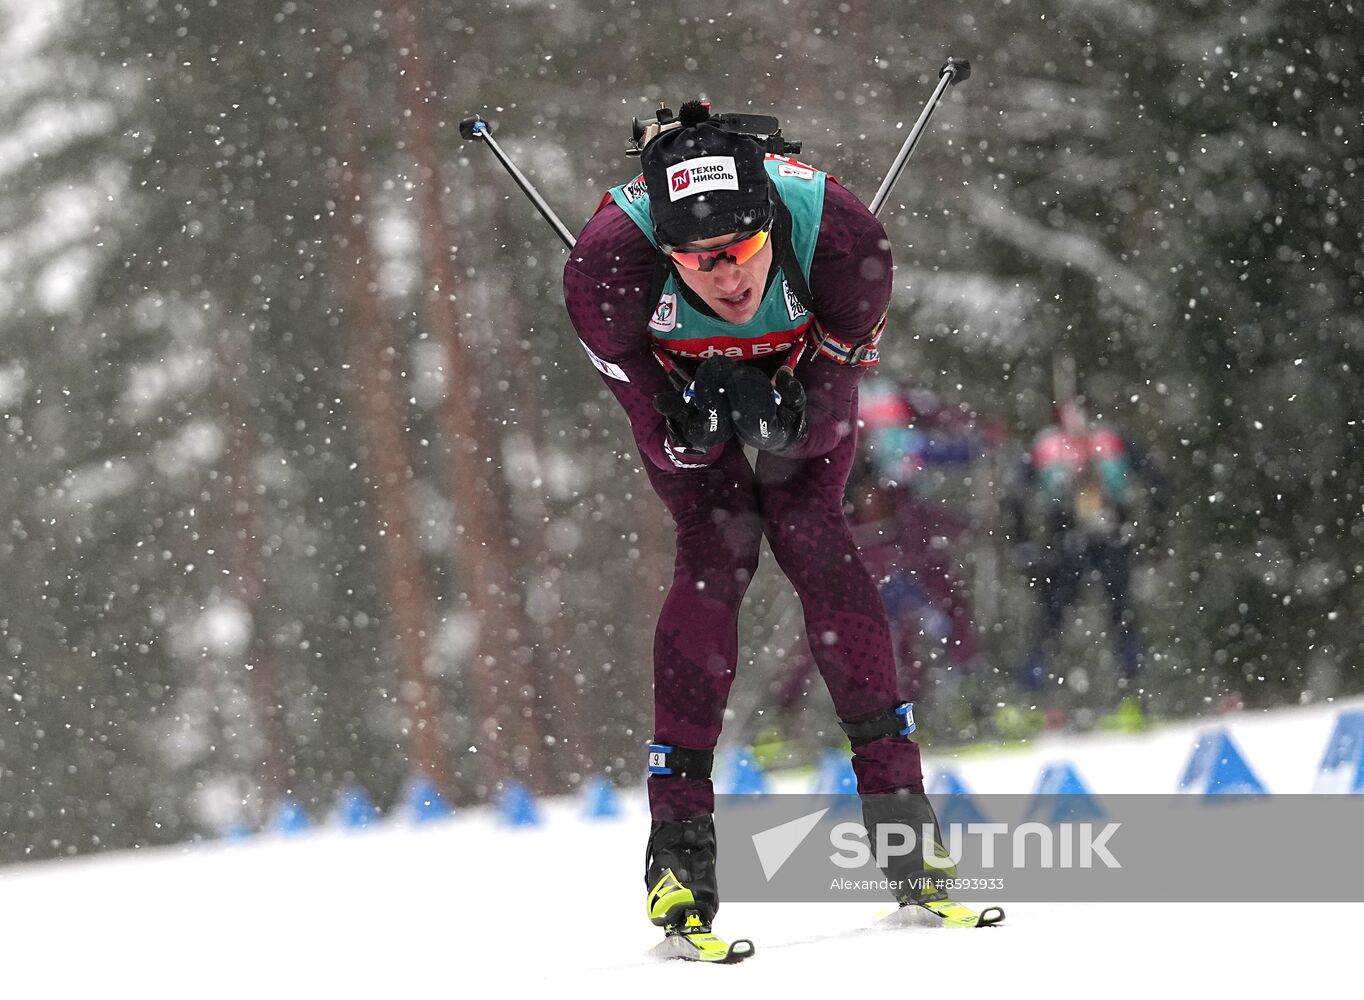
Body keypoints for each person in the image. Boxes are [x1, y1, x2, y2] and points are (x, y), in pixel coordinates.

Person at [562, 100, 980, 952]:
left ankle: (908, 836)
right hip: (681, 385)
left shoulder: (842, 242)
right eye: (701, 262)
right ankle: (678, 852)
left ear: (768, 226)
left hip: (803, 374)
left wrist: (789, 418)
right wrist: (686, 425)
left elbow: (830, 422)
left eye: (745, 251)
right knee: (718, 550)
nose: (728, 277)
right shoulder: (606, 271)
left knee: (811, 537)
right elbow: (653, 427)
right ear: (664, 251)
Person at [759, 378, 994, 752]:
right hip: (857, 548)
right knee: (829, 634)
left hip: (896, 548)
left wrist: (972, 437)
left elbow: (941, 432)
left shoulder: (890, 402)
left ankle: (936, 708)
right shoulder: (823, 403)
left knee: (912, 628)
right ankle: (783, 717)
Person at [1007, 397, 1167, 723]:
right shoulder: (1048, 445)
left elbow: (1156, 479)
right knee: (1053, 618)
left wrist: (1155, 534)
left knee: (1119, 615)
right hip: (1067, 538)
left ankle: (1132, 697)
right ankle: (1033, 700)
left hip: (1108, 535)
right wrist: (1024, 543)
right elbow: (1015, 496)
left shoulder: (1110, 440)